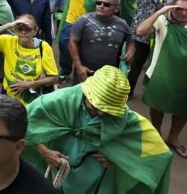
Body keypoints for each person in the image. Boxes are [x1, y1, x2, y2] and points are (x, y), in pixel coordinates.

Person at [24, 65, 172, 193]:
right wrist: (44, 151)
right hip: (61, 169)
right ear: (86, 93)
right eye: (96, 107)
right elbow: (22, 123)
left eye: (108, 111)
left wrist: (118, 157)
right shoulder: (60, 101)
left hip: (99, 176)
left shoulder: (124, 117)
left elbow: (159, 153)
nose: (101, 113)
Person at [116, 0, 184, 97]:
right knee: (136, 63)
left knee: (161, 63)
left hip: (165, 32)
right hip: (142, 31)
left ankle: (157, 93)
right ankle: (127, 92)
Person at [136, 0, 187, 159]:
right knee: (157, 104)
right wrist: (160, 12)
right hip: (161, 72)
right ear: (171, 7)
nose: (184, 13)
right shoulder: (163, 20)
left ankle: (173, 138)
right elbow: (140, 31)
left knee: (183, 108)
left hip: (184, 74)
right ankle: (156, 134)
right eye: (179, 9)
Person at [0, 14, 58, 106]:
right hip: (8, 97)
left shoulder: (43, 47)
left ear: (35, 31)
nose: (24, 32)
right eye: (20, 28)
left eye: (28, 29)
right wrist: (9, 25)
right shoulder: (9, 41)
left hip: (31, 100)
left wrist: (30, 84)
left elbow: (54, 78)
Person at [52, 0, 106, 83]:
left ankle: (82, 71)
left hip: (89, 23)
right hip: (71, 22)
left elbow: (103, 5)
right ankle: (65, 71)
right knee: (64, 45)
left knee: (85, 48)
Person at [69, 0, 135, 84]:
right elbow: (72, 42)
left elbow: (130, 41)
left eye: (106, 4)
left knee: (103, 97)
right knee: (82, 97)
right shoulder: (84, 20)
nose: (101, 6)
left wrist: (130, 51)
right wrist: (79, 67)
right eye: (99, 3)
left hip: (108, 75)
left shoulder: (122, 24)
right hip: (85, 72)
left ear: (116, 9)